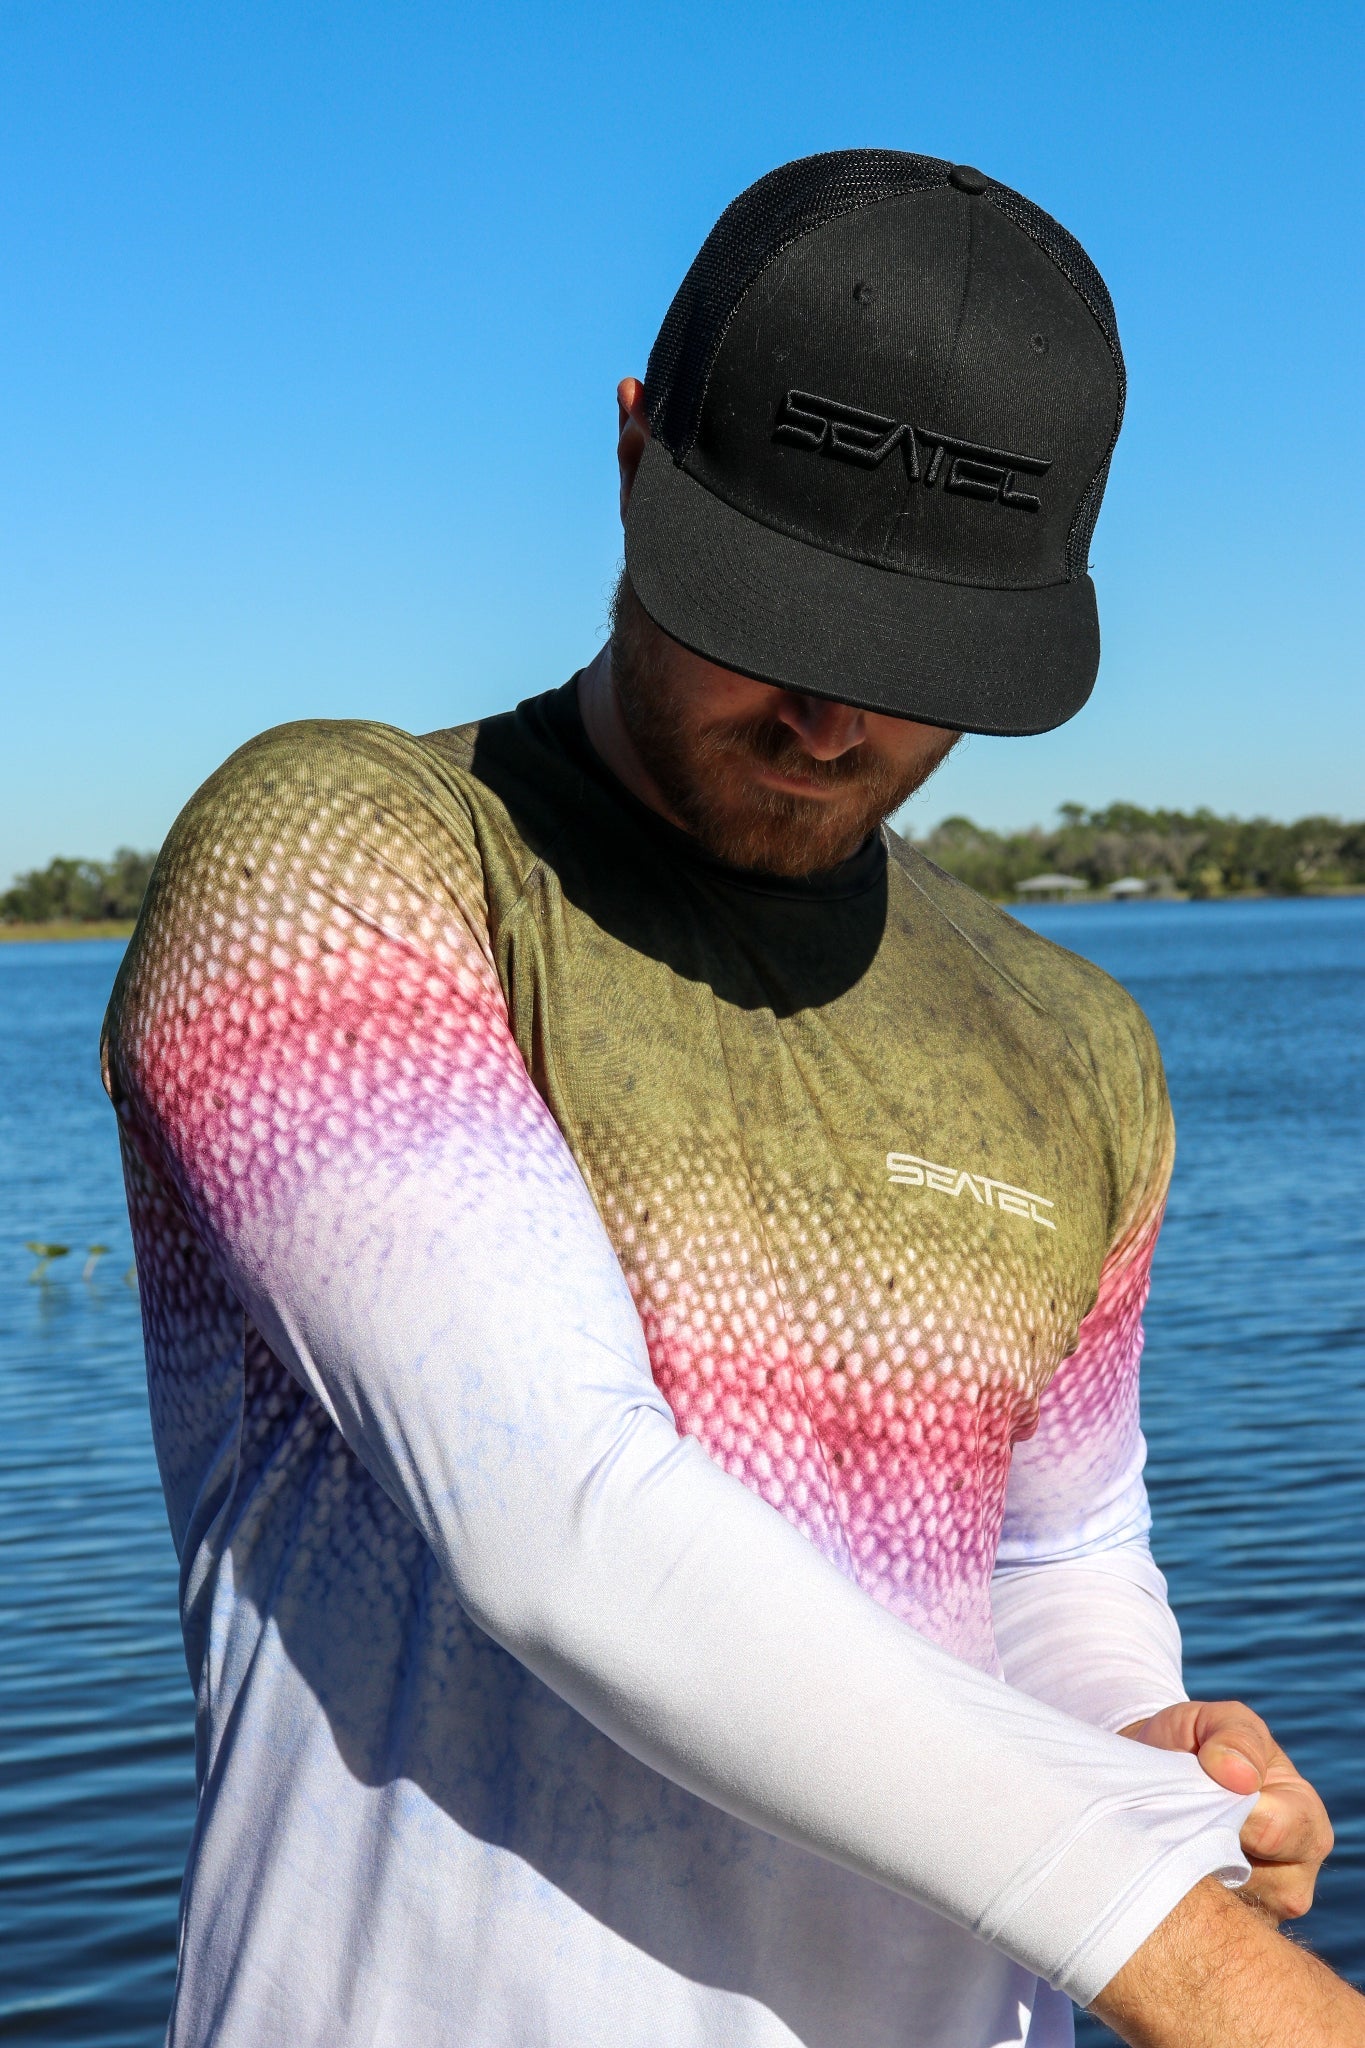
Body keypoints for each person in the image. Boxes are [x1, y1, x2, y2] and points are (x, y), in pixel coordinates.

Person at [102, 151, 1362, 2048]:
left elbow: (1056, 1556)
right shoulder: (341, 859)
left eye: (912, 664)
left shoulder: (1071, 1038)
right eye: (766, 616)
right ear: (632, 451)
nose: (830, 723)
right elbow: (557, 1521)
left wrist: (1132, 1747)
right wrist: (1196, 1966)